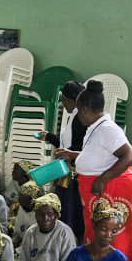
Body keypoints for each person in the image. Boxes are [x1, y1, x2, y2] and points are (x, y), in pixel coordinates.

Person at [57, 80, 132, 261]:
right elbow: (99, 155)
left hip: (114, 189)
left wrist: (103, 179)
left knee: (112, 239)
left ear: (86, 110)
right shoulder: (95, 127)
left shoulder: (107, 129)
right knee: (96, 237)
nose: (77, 115)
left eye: (79, 111)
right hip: (99, 189)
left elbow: (129, 155)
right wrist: (73, 155)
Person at [10, 192, 76, 261]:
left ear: (56, 215)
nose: (45, 218)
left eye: (50, 214)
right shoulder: (31, 232)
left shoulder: (65, 233)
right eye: (41, 214)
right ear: (35, 215)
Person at [45, 80, 86, 240]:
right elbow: (68, 145)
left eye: (63, 100)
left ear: (71, 100)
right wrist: (49, 137)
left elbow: (79, 150)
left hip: (75, 175)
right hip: (69, 171)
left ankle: (68, 240)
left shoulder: (80, 120)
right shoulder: (74, 117)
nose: (62, 104)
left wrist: (69, 156)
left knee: (70, 211)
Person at [12, 181, 43, 245]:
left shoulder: (42, 214)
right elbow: (18, 233)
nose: (22, 207)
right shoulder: (23, 207)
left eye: (25, 204)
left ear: (32, 201)